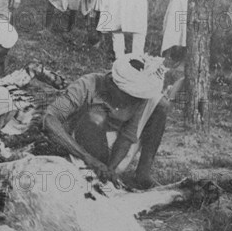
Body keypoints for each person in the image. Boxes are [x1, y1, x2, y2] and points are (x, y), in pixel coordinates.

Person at [44, 53, 167, 190]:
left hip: (114, 147)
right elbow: (49, 119)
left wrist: (111, 169)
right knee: (96, 116)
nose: (134, 101)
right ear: (116, 85)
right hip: (83, 144)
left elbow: (127, 135)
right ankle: (92, 171)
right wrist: (87, 157)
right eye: (130, 96)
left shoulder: (138, 97)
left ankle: (142, 174)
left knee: (160, 104)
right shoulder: (87, 84)